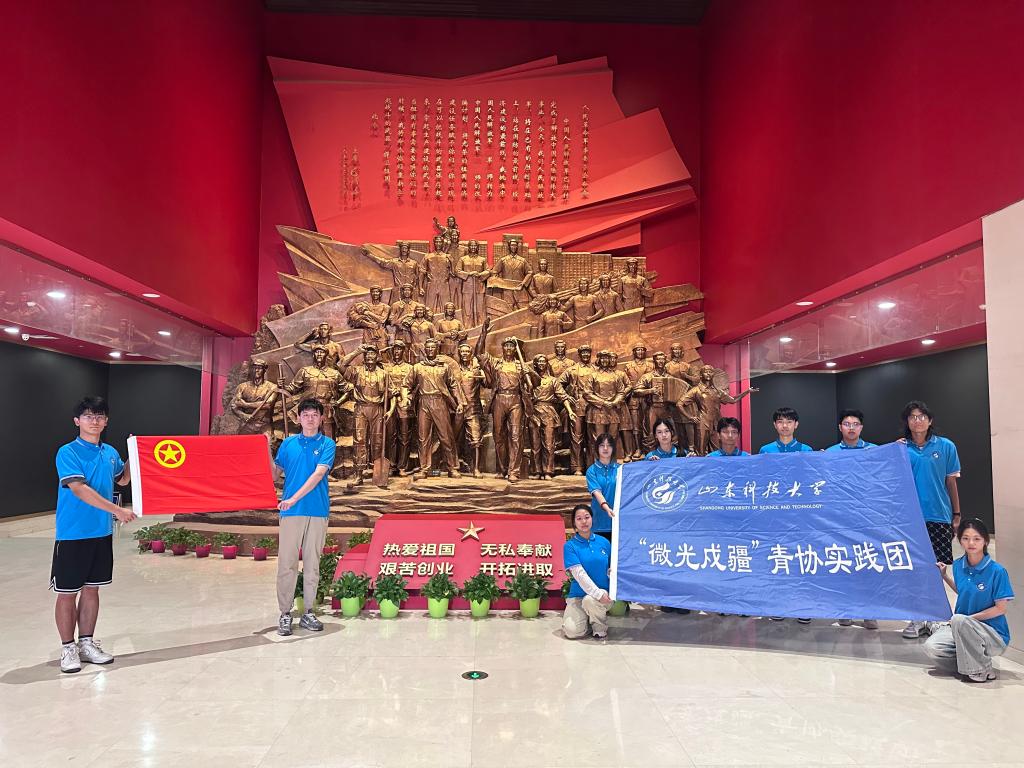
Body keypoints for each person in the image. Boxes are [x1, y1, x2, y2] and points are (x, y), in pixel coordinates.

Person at [52, 396, 135, 673]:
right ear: (77, 421)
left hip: (101, 533)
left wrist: (134, 455)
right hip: (73, 533)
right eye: (88, 416)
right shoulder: (68, 452)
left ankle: (86, 644)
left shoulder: (109, 452)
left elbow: (122, 478)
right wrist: (117, 510)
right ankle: (68, 648)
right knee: (67, 593)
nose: (94, 421)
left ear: (106, 421)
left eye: (99, 416)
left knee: (92, 589)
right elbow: (79, 489)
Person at [271, 398, 336, 636]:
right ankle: (285, 613)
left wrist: (294, 498)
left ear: (321, 419)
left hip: (317, 510)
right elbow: (274, 475)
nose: (310, 419)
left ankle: (308, 611)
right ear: (298, 418)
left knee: (312, 564)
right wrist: (264, 450)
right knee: (286, 564)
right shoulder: (288, 444)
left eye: (314, 415)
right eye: (306, 415)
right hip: (291, 513)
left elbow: (318, 475)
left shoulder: (327, 444)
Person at [900, 400, 962, 639]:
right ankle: (916, 618)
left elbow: (951, 482)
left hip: (939, 516)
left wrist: (956, 514)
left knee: (937, 569)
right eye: (912, 417)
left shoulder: (946, 446)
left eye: (922, 416)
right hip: (908, 519)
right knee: (913, 568)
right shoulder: (901, 448)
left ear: (930, 420)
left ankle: (935, 618)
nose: (917, 421)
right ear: (907, 422)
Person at [924, 519, 1014, 682]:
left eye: (976, 538)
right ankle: (977, 665)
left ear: (985, 541)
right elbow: (964, 591)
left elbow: (1000, 609)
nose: (971, 543)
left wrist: (967, 620)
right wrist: (945, 576)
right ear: (960, 540)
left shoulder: (997, 571)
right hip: (962, 627)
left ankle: (979, 671)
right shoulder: (958, 565)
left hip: (993, 634)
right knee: (932, 647)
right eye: (965, 538)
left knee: (958, 620)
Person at [759, 407, 812, 623]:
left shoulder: (806, 450)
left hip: (800, 515)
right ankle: (778, 604)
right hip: (775, 516)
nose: (785, 425)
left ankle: (803, 607)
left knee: (801, 559)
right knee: (778, 558)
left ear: (796, 425)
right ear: (775, 425)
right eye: (780, 421)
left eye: (789, 421)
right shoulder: (765, 450)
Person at [562, 505, 612, 640]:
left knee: (590, 600)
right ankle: (588, 621)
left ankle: (599, 627)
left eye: (587, 517)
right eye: (579, 519)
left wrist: (609, 578)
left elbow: (611, 567)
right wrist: (597, 593)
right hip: (578, 595)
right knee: (571, 632)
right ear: (574, 523)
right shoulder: (570, 546)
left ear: (592, 519)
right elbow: (579, 574)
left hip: (603, 595)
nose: (584, 521)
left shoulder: (604, 542)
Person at [585, 433, 619, 541]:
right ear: (597, 448)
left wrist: (651, 462)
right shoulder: (592, 471)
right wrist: (606, 508)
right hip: (599, 522)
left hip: (618, 522)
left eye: (609, 445)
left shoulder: (620, 469)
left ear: (613, 448)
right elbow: (597, 493)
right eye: (602, 445)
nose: (605, 448)